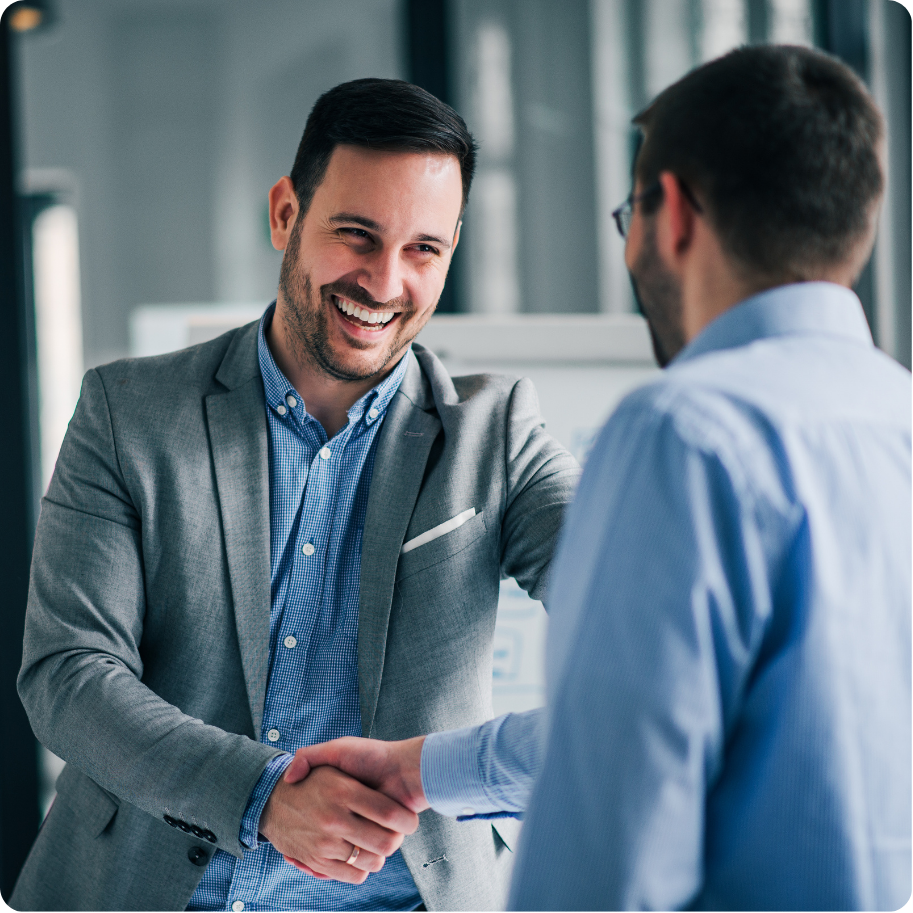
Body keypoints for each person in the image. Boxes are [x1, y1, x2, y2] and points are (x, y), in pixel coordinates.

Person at [283, 46, 913, 911]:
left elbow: (611, 802)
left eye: (629, 216)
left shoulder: (684, 432)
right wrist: (420, 768)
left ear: (674, 217)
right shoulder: (897, 416)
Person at [10, 78, 579, 913]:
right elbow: (67, 674)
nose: (385, 282)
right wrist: (263, 795)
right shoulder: (127, 413)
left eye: (424, 250)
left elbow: (641, 628)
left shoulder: (497, 436)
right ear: (285, 214)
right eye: (356, 234)